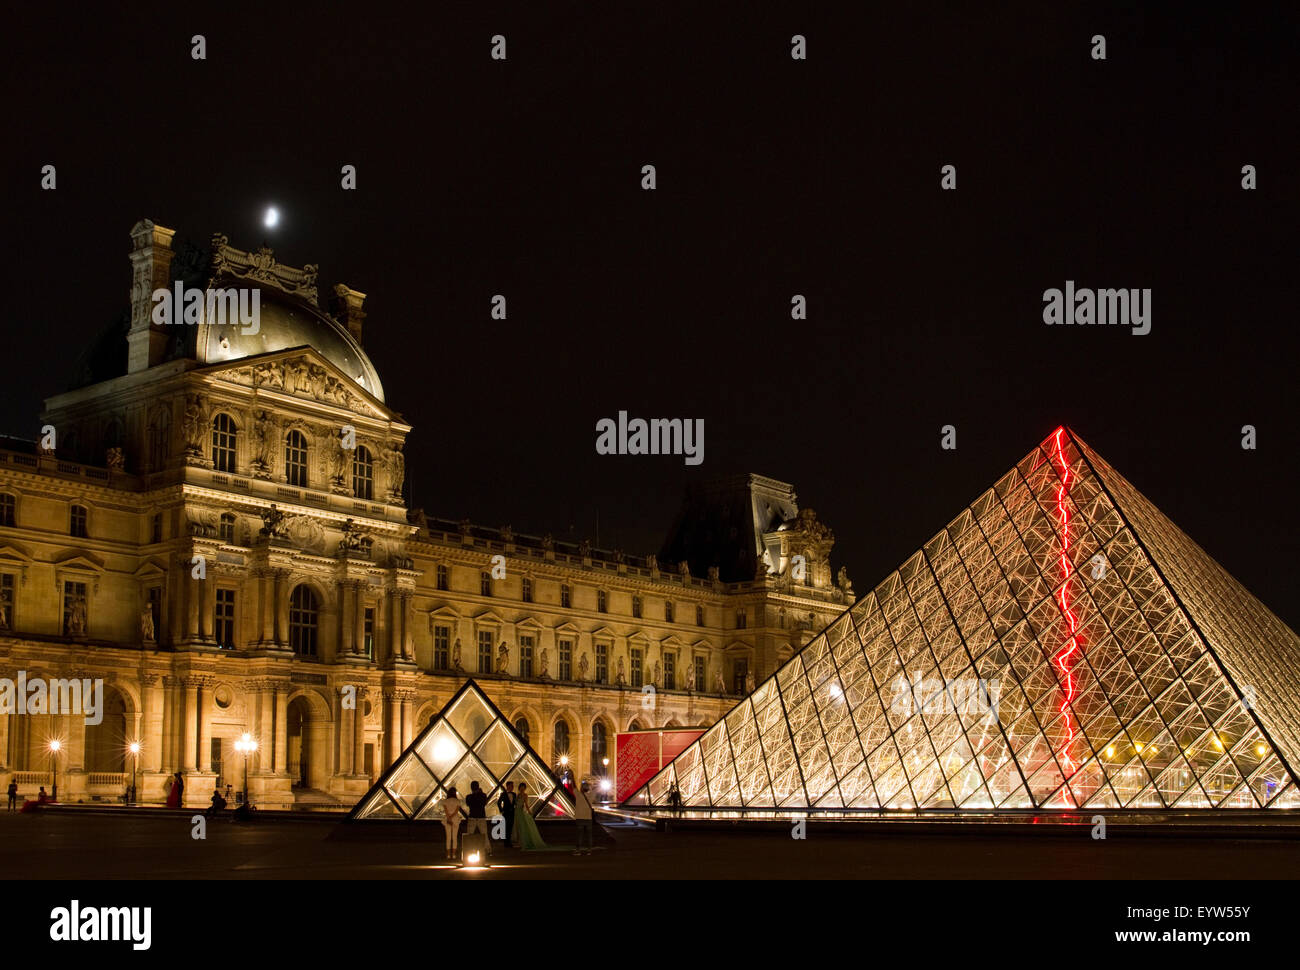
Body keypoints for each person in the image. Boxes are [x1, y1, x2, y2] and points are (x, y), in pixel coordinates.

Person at [513, 782, 548, 850]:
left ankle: (522, 842)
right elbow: (515, 804)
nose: (522, 789)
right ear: (519, 788)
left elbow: (526, 804)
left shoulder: (525, 795)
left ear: (524, 788)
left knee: (522, 827)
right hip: (516, 812)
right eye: (521, 787)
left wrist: (529, 811)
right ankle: (519, 842)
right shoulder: (517, 795)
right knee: (517, 827)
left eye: (523, 787)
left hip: (520, 812)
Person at [437, 786, 464, 860]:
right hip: (455, 819)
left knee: (448, 837)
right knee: (454, 837)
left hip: (447, 819)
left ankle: (448, 855)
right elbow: (456, 811)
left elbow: (446, 811)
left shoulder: (445, 801)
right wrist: (452, 817)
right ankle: (454, 854)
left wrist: (449, 817)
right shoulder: (457, 801)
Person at [464, 781, 490, 856]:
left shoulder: (468, 797)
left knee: (470, 835)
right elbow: (484, 803)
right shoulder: (483, 795)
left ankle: (468, 850)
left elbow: (468, 804)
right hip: (481, 817)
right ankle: (488, 850)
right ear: (478, 787)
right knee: (485, 835)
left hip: (472, 817)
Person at [572, 780, 595, 855]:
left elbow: (574, 786)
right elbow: (595, 789)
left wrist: (572, 778)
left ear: (581, 788)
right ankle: (589, 850)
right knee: (589, 835)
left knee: (579, 834)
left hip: (579, 818)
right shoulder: (591, 795)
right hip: (588, 818)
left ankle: (578, 850)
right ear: (588, 789)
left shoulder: (578, 795)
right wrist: (592, 786)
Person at [497, 781, 516, 846]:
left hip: (512, 813)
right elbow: (499, 802)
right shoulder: (503, 794)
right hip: (506, 813)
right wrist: (501, 810)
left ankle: (509, 841)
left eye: (512, 786)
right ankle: (506, 842)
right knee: (505, 827)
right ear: (507, 786)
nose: (512, 787)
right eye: (511, 786)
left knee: (510, 827)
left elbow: (515, 803)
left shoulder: (514, 794)